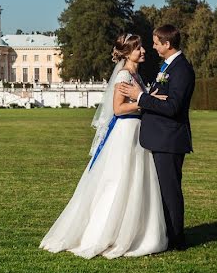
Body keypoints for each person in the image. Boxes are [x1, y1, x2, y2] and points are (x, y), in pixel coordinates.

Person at [39, 33, 168, 258]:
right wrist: (146, 103)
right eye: (138, 48)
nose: (143, 51)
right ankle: (108, 231)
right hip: (126, 132)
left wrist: (147, 99)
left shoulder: (135, 75)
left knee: (136, 180)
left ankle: (135, 229)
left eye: (142, 47)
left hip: (136, 132)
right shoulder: (124, 76)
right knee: (120, 180)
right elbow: (118, 109)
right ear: (127, 53)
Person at [117, 24, 195, 251]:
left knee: (170, 191)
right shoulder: (168, 67)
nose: (152, 47)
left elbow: (172, 107)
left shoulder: (181, 69)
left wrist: (140, 97)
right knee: (162, 190)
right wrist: (149, 97)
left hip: (169, 139)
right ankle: (166, 235)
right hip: (160, 137)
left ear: (167, 44)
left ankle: (176, 239)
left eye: (156, 43)